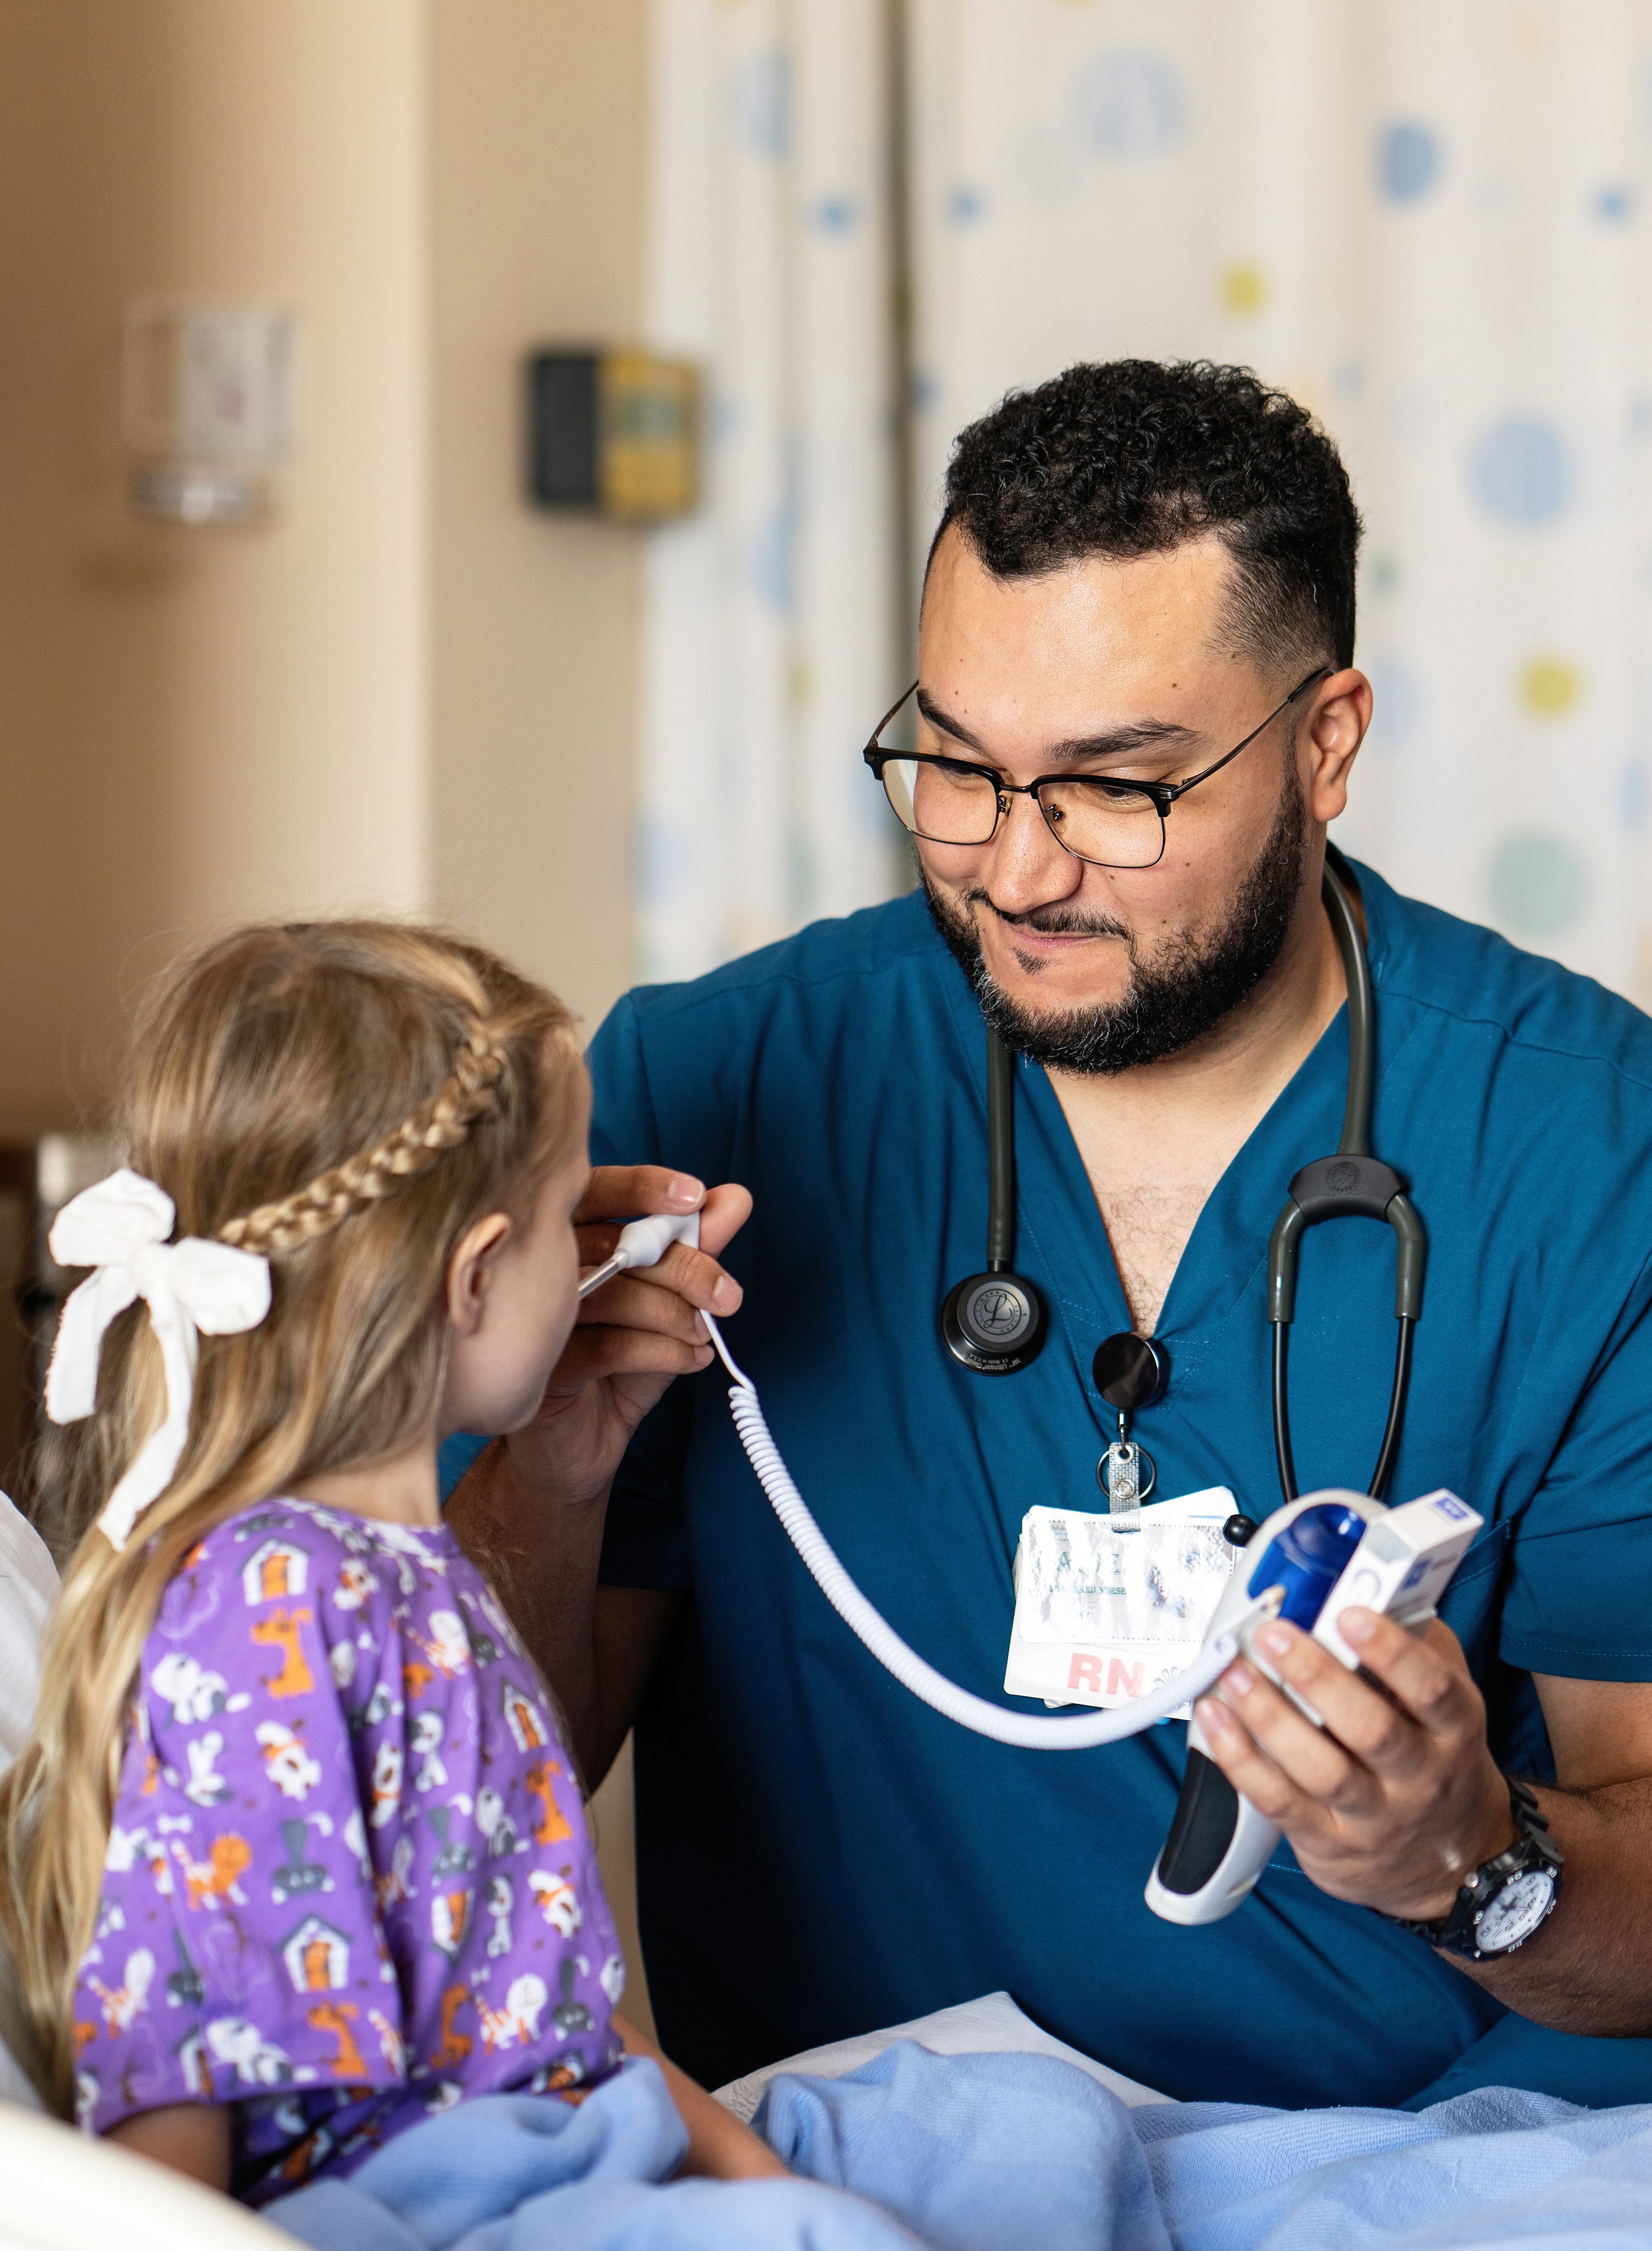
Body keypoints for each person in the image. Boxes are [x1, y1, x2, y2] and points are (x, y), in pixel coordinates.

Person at [447, 358, 1652, 2113]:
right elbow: (472, 1833)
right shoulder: (714, 1082)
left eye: (1114, 787)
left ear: (1325, 746)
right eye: (954, 761)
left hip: (1431, 2175)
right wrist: (540, 1487)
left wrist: (1473, 1856)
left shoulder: (1584, 1149)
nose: (1012, 869)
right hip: (846, 2171)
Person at [0, 922, 785, 2204]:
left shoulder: (409, 1582)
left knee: (1013, 2127)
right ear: (475, 1274)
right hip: (433, 2202)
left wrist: (763, 2176)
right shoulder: (270, 1609)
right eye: (563, 1210)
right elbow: (183, 2064)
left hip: (576, 2141)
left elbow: (544, 1997)